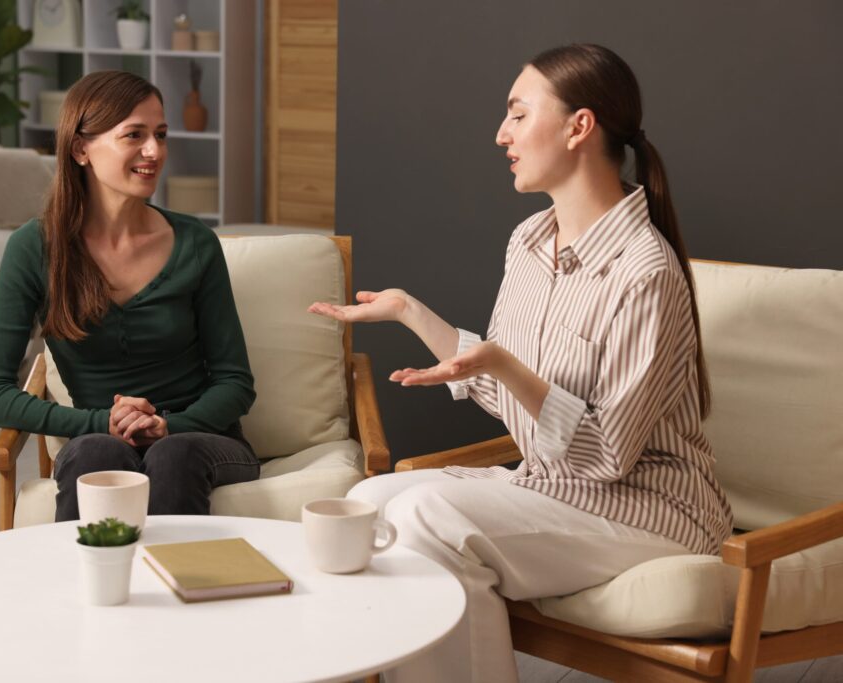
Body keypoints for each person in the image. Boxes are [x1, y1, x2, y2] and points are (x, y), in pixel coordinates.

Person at [309, 44, 733, 682]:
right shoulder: (530, 241)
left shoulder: (645, 271)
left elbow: (609, 455)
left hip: (650, 510)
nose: (500, 134)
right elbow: (500, 385)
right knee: (365, 501)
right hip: (553, 488)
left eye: (517, 114)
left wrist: (505, 367)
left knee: (427, 517)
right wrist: (410, 313)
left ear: (579, 126)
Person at [0, 70, 259, 521]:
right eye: (134, 135)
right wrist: (98, 423)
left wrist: (169, 425)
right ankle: (80, 570)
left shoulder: (195, 242)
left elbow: (235, 382)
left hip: (201, 440)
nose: (154, 151)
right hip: (98, 438)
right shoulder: (34, 248)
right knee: (94, 454)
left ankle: (179, 568)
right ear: (80, 149)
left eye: (160, 134)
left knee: (173, 454)